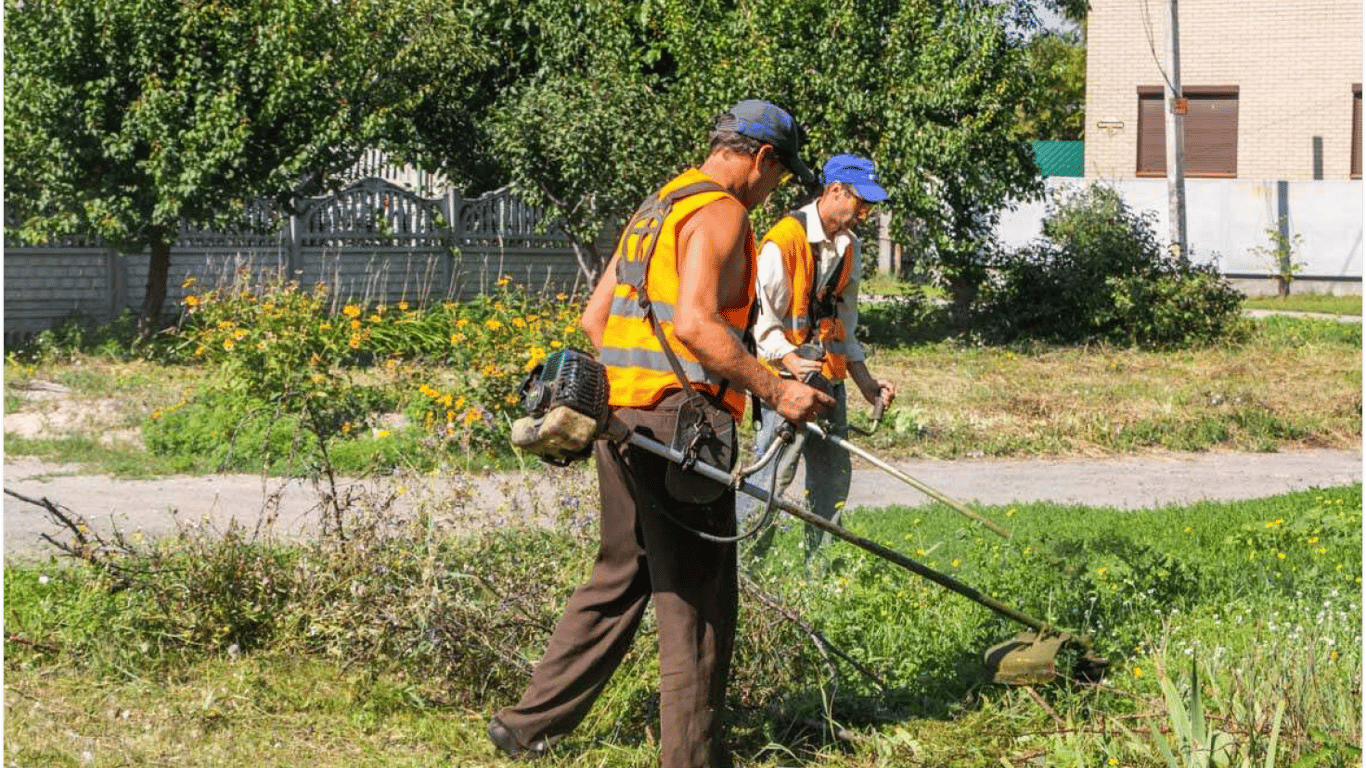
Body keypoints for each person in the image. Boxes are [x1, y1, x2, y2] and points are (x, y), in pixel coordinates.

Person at [487, 100, 834, 768]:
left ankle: (526, 724)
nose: (773, 192)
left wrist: (635, 390)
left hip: (619, 419)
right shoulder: (724, 212)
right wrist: (778, 389)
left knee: (622, 573)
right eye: (780, 177)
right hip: (683, 429)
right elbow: (698, 326)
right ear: (762, 158)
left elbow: (595, 319)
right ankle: (694, 759)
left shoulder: (659, 207)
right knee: (698, 601)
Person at [737, 154, 897, 560]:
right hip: (784, 383)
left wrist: (866, 383)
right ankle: (742, 568)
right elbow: (759, 324)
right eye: (861, 202)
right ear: (834, 191)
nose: (865, 212)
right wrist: (788, 359)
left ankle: (821, 575)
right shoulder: (783, 241)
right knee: (771, 476)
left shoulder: (850, 247)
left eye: (870, 206)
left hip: (829, 380)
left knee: (832, 481)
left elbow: (844, 325)